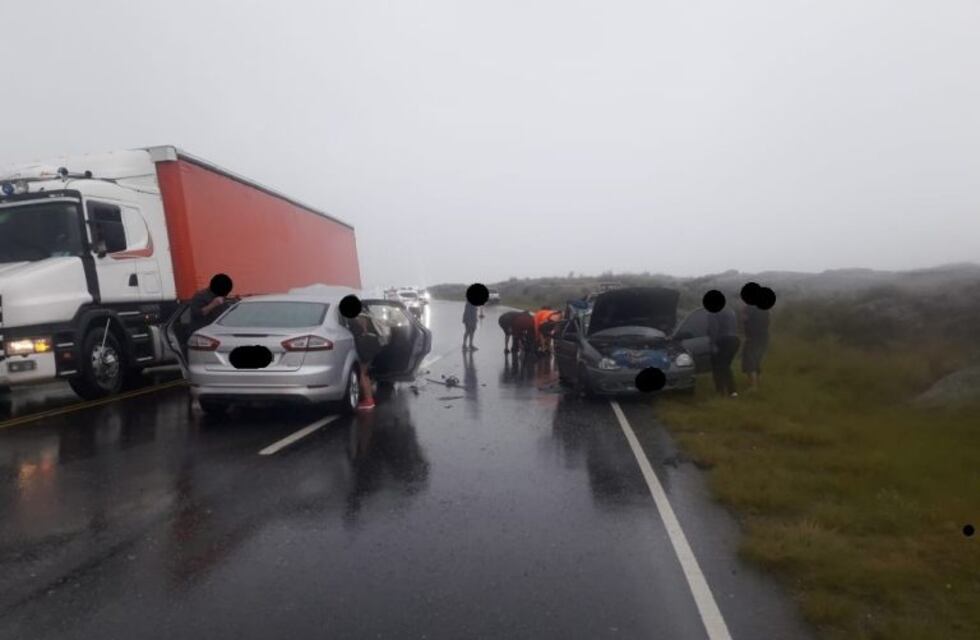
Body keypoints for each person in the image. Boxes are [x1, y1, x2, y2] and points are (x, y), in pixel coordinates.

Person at [349, 312, 383, 410]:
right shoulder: (365, 313)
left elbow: (362, 330)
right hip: (373, 344)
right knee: (365, 373)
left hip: (366, 346)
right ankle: (368, 397)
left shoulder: (359, 316)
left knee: (363, 374)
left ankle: (369, 400)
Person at [707, 305, 740, 397]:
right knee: (725, 366)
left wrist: (712, 344)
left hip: (723, 340)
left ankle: (722, 391)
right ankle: (731, 391)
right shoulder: (730, 310)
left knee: (718, 367)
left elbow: (713, 328)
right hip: (735, 340)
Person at [741, 304, 770, 392]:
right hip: (764, 337)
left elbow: (744, 318)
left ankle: (753, 387)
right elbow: (768, 322)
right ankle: (758, 383)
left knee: (750, 361)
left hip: (752, 338)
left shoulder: (749, 307)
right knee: (757, 360)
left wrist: (744, 311)